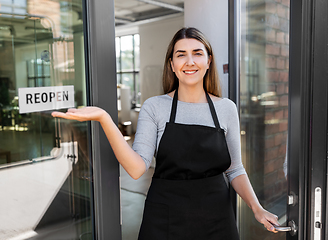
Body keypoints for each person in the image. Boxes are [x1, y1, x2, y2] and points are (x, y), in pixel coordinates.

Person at [52, 27, 279, 239]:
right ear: (171, 64)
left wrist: (256, 209)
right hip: (164, 218)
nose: (189, 61)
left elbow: (235, 169)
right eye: (181, 55)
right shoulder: (155, 107)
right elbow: (136, 168)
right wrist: (105, 119)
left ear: (208, 61)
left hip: (217, 218)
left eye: (197, 53)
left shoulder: (226, 108)